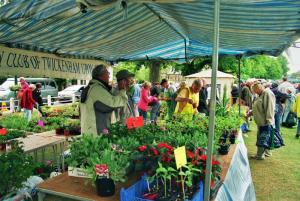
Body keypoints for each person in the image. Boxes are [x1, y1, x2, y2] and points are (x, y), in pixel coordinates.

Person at [80, 65, 128, 135]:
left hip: (89, 131)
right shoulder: (97, 89)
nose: (109, 76)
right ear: (101, 75)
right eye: (107, 73)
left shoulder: (91, 87)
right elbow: (113, 104)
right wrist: (122, 89)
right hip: (94, 133)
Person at [251, 82, 276, 160]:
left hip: (265, 122)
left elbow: (270, 108)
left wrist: (269, 121)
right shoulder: (261, 94)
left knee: (262, 138)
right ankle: (267, 152)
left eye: (255, 91)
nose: (255, 92)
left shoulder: (267, 94)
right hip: (261, 121)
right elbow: (259, 107)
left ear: (259, 88)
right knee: (264, 137)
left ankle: (259, 155)